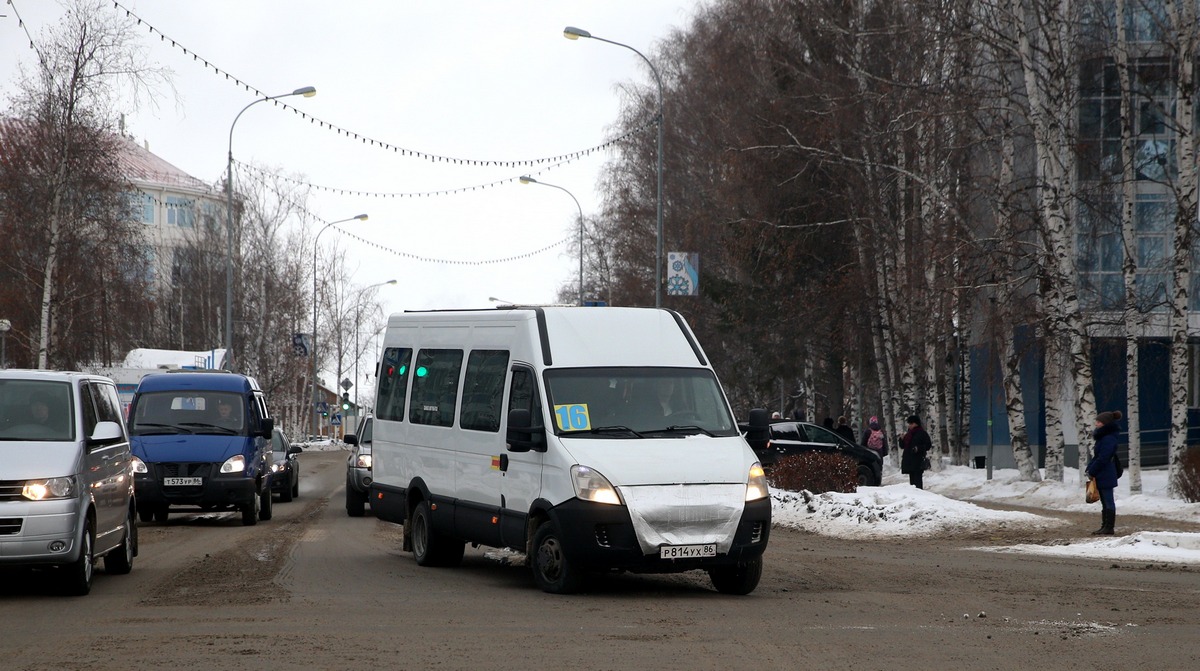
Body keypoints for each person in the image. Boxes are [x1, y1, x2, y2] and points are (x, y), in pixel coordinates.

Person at [1086, 410, 1123, 535]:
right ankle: (1105, 526)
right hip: (1103, 472)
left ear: (1105, 424)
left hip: (1106, 473)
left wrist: (1093, 470)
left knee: (1108, 501)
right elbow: (1097, 457)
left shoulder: (1108, 438)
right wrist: (1090, 468)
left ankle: (1109, 527)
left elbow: (1103, 458)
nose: (1096, 424)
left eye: (1099, 422)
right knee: (1104, 501)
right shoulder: (1104, 437)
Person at [900, 414, 932, 489]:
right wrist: (901, 439)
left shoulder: (922, 433)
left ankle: (919, 496)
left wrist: (918, 448)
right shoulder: (908, 434)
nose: (909, 426)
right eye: (909, 424)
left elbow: (928, 445)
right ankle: (914, 495)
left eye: (911, 424)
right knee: (912, 482)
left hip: (918, 460)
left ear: (915, 424)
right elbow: (902, 446)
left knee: (918, 481)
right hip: (909, 460)